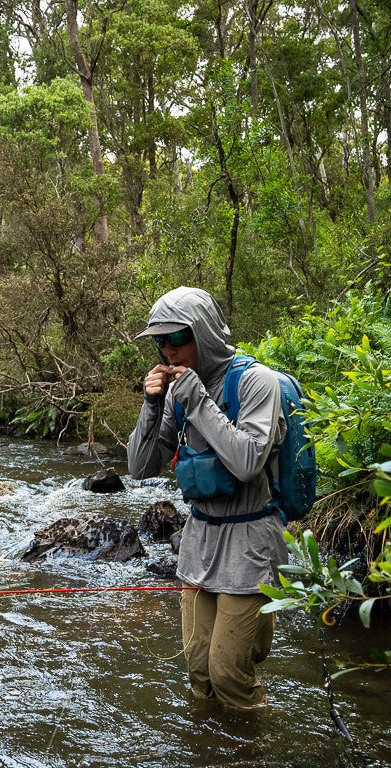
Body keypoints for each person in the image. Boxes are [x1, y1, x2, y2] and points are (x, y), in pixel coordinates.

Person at [127, 286, 286, 708]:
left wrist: (197, 399)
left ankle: (256, 763)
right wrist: (151, 404)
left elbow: (248, 462)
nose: (168, 351)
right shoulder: (176, 393)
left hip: (250, 542)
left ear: (205, 334)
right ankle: (209, 767)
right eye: (160, 342)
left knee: (230, 675)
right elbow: (140, 469)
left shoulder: (256, 383)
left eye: (177, 338)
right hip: (198, 544)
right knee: (200, 675)